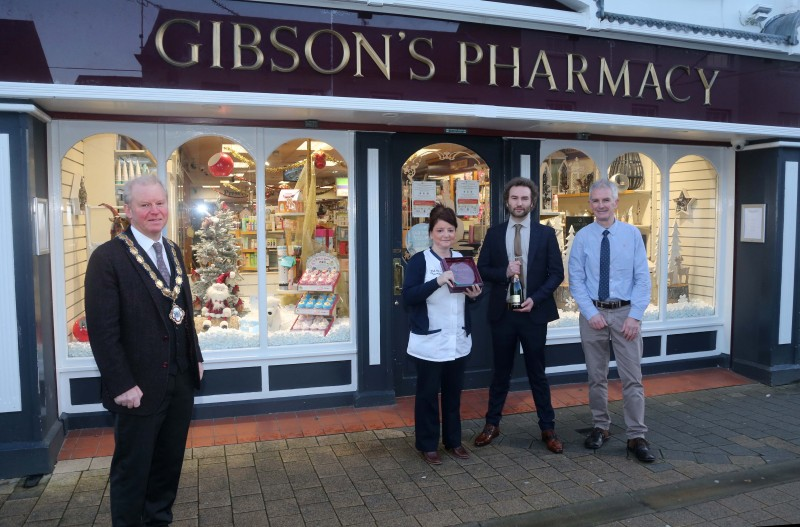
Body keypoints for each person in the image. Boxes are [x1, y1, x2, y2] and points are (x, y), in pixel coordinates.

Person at [85, 175, 204, 525]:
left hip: (180, 380)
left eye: (160, 203)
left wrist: (194, 356)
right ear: (128, 210)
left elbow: (184, 312)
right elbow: (103, 331)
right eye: (145, 205)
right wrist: (121, 383)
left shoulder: (172, 250)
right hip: (137, 386)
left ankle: (158, 521)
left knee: (168, 466)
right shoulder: (108, 258)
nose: (155, 211)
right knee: (132, 470)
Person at [473, 177, 565, 453]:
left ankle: (547, 428)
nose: (519, 203)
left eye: (524, 199)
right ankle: (492, 423)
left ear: (532, 203)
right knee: (500, 373)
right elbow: (482, 269)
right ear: (507, 201)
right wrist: (503, 272)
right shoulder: (494, 233)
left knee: (537, 373)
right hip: (503, 315)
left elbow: (556, 274)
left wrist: (535, 299)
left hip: (533, 314)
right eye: (515, 198)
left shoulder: (546, 235)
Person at [568, 179, 655, 463]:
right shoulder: (582, 238)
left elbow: (643, 278)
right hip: (593, 314)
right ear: (590, 204)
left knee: (632, 379)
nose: (601, 205)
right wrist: (590, 313)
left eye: (606, 200)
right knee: (597, 377)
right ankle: (600, 427)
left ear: (616, 203)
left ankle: (636, 435)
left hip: (625, 315)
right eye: (596, 201)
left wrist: (635, 316)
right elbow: (576, 280)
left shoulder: (632, 236)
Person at [403, 204, 482, 465]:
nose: (446, 234)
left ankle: (453, 441)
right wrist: (436, 281)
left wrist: (474, 297)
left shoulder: (463, 259)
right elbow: (409, 296)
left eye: (450, 229)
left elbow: (468, 296)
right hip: (430, 339)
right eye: (440, 230)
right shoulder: (419, 261)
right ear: (431, 232)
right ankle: (427, 444)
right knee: (427, 394)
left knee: (453, 392)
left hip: (457, 337)